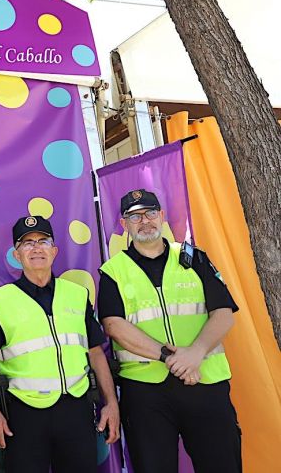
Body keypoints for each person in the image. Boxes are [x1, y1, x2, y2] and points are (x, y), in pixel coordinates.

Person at [98, 189, 241, 473]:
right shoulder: (112, 271)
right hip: (146, 393)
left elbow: (224, 313)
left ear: (162, 216)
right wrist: (171, 359)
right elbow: (114, 325)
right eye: (135, 216)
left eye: (151, 213)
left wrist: (195, 353)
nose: (145, 221)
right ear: (124, 224)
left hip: (206, 383)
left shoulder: (194, 258)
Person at [0, 216, 119, 473]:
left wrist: (111, 403)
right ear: (16, 255)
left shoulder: (77, 295)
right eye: (27, 243)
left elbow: (96, 353)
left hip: (76, 410)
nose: (36, 248)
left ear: (54, 251)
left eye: (43, 241)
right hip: (25, 414)